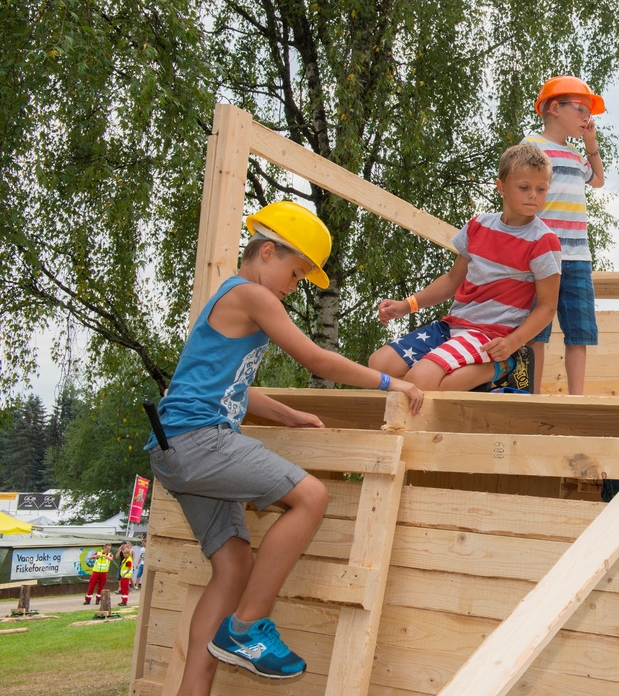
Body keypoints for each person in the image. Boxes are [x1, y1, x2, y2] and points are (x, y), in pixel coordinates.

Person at [147, 200, 424, 691]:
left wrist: (287, 414)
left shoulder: (227, 301)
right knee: (311, 496)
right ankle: (247, 629)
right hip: (200, 441)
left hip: (174, 447)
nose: (293, 288)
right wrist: (389, 383)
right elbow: (318, 360)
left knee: (233, 566)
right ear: (268, 252)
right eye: (295, 274)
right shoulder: (253, 296)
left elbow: (232, 390)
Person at [370, 144, 562, 393]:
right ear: (501, 187)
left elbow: (547, 307)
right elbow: (452, 281)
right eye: (524, 187)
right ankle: (461, 374)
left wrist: (512, 342)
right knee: (379, 365)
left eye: (541, 189)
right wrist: (406, 306)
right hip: (452, 326)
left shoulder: (543, 241)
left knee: (418, 381)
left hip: (491, 335)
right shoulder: (478, 225)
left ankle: (502, 366)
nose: (533, 195)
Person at [522, 76, 606, 394]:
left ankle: (576, 400)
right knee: (536, 331)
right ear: (555, 108)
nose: (588, 117)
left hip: (578, 257)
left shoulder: (573, 154)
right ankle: (532, 396)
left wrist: (590, 142)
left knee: (579, 332)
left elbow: (597, 179)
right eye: (581, 109)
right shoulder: (532, 148)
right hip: (542, 254)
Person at [117, 542, 134, 606]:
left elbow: (129, 568)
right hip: (123, 576)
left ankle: (124, 601)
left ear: (128, 553)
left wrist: (125, 574)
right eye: (123, 553)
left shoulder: (129, 560)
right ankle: (123, 600)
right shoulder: (125, 559)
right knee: (123, 589)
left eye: (124, 553)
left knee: (125, 589)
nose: (123, 554)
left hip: (126, 576)